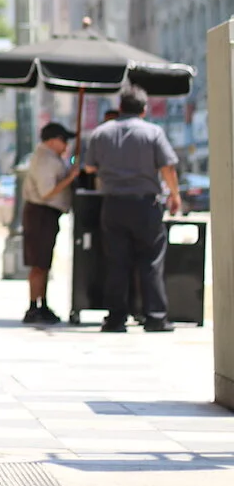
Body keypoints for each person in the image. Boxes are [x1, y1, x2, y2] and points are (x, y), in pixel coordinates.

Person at [83, 83, 180, 333]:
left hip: (113, 204)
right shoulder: (153, 133)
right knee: (151, 260)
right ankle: (155, 317)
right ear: (144, 110)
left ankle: (116, 318)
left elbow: (90, 167)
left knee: (116, 262)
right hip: (145, 204)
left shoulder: (101, 133)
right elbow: (168, 167)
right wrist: (175, 196)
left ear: (120, 107)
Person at [21, 122, 79, 325]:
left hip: (48, 214)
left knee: (44, 262)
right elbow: (47, 191)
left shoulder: (52, 158)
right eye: (63, 141)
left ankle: (43, 303)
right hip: (40, 213)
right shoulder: (45, 159)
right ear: (53, 140)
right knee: (38, 262)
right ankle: (33, 306)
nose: (66, 145)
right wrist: (70, 178)